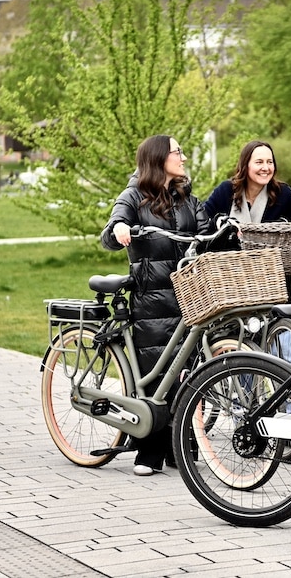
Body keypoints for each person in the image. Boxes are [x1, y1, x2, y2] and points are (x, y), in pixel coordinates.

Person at [100, 135, 211, 476]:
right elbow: (111, 229)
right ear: (159, 157)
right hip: (152, 298)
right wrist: (120, 228)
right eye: (177, 151)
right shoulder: (133, 195)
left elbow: (205, 232)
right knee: (155, 372)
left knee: (188, 370)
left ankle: (179, 445)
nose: (182, 156)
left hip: (189, 295)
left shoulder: (187, 197)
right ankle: (148, 450)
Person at [203, 140, 291, 395]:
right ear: (245, 164)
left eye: (269, 162)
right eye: (259, 161)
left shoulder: (284, 195)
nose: (265, 167)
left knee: (285, 356)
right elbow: (202, 226)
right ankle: (245, 418)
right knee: (243, 358)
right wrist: (221, 227)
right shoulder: (226, 192)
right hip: (236, 290)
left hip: (274, 290)